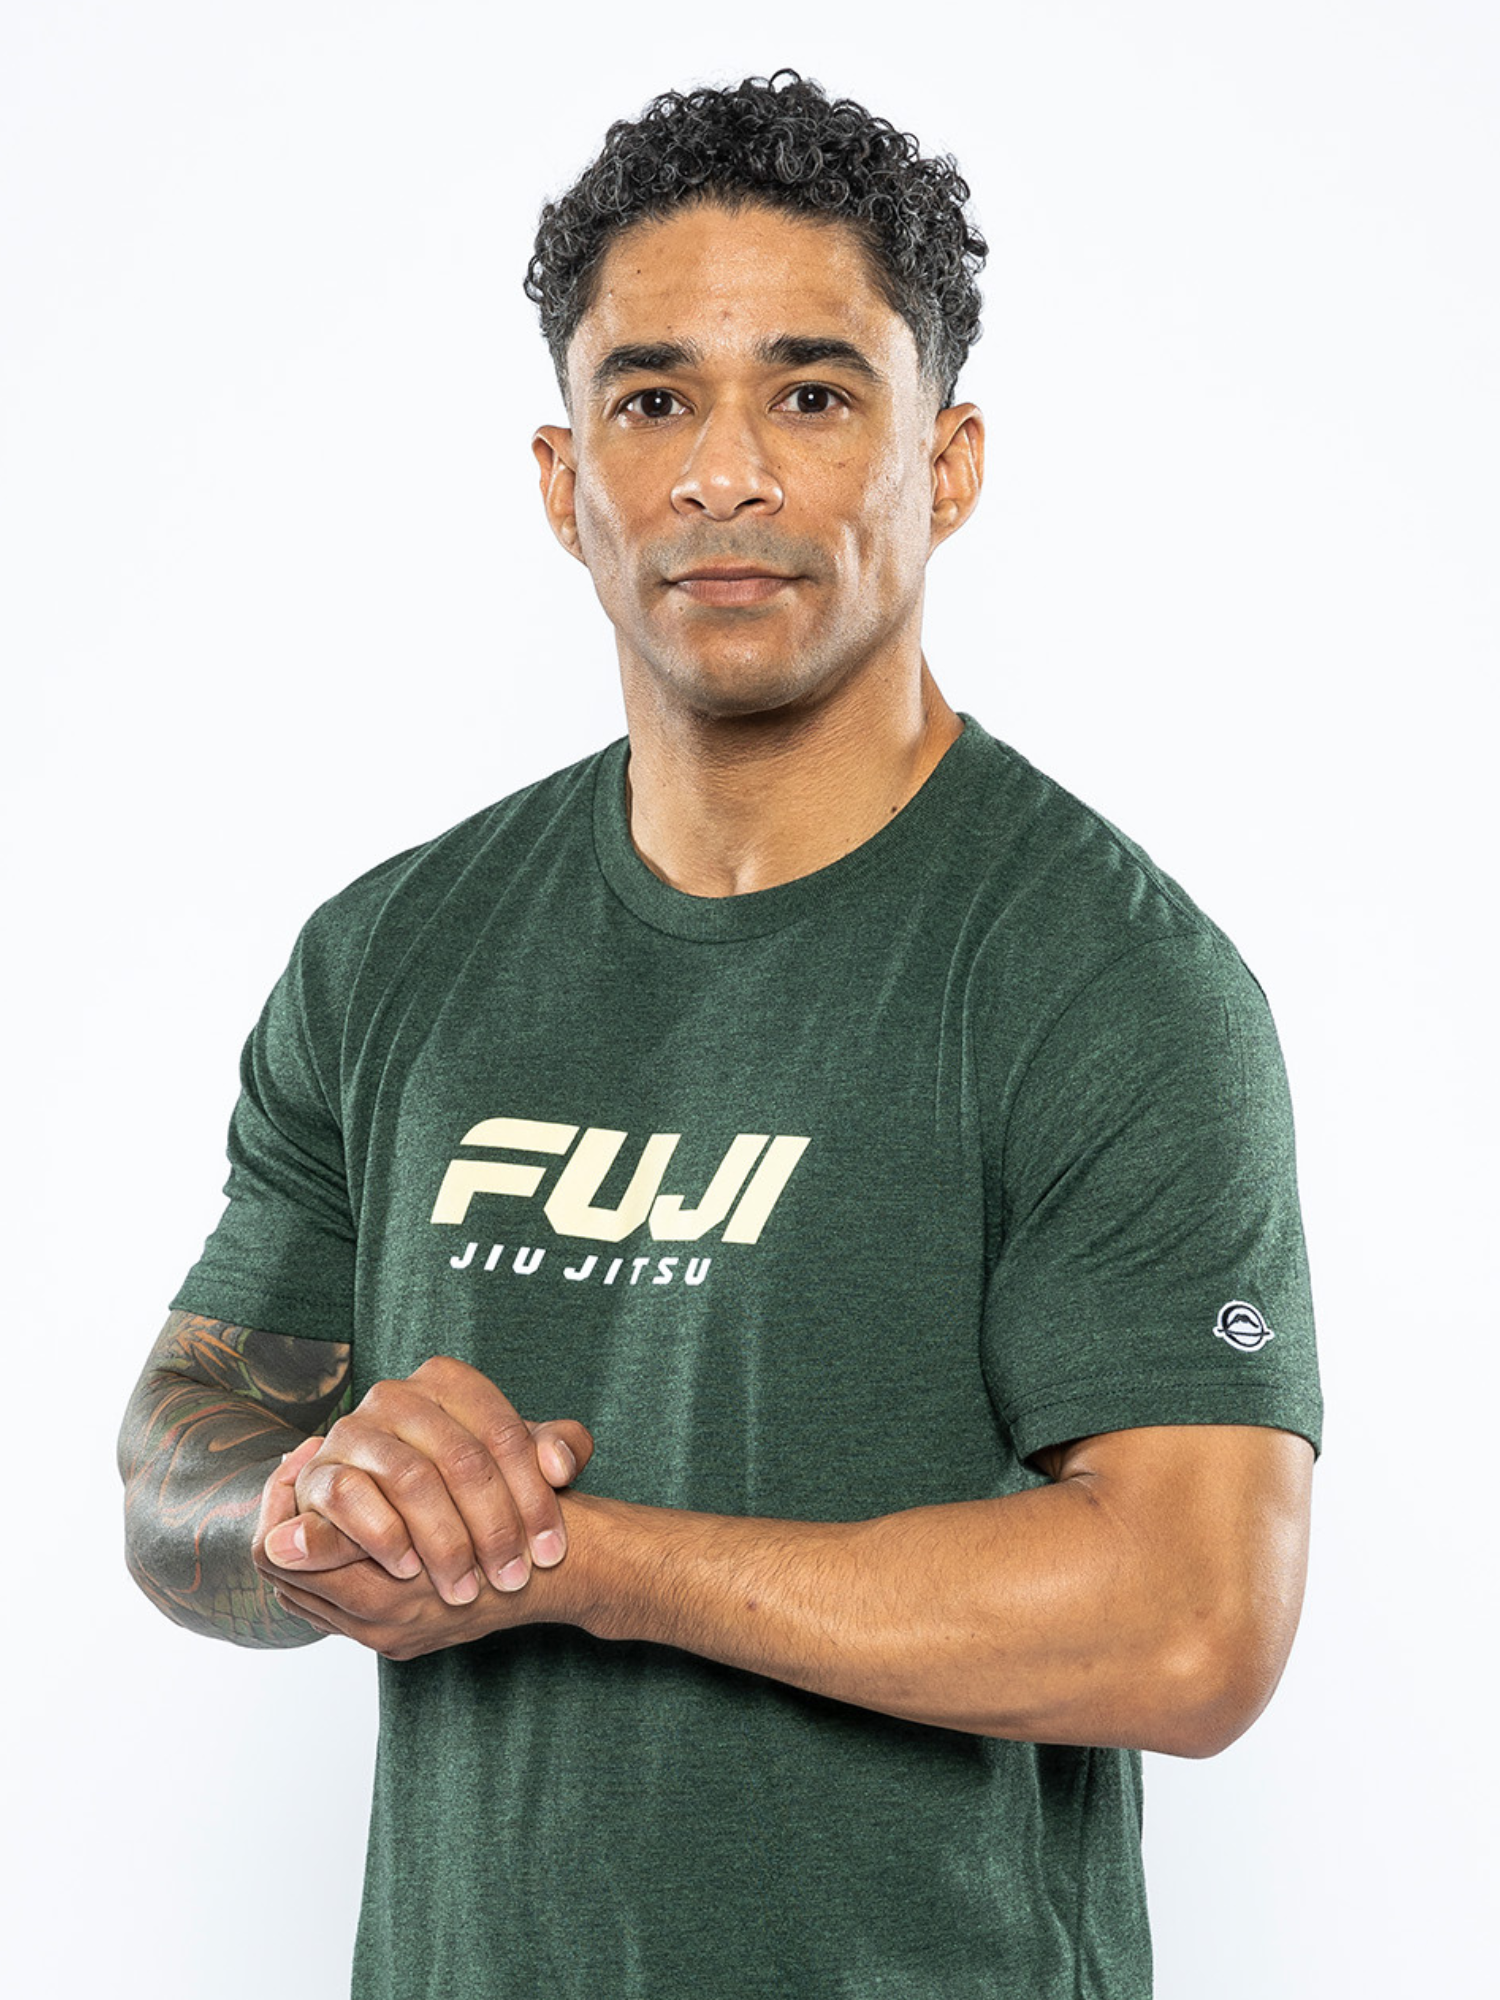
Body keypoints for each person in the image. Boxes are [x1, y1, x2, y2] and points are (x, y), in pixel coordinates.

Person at [118, 70, 1321, 1999]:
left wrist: (584, 1562)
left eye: (814, 397)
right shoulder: (393, 954)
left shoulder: (1106, 980)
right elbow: (177, 1454)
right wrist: (308, 1507)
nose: (723, 476)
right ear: (563, 480)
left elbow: (1191, 1629)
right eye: (654, 400)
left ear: (946, 465)